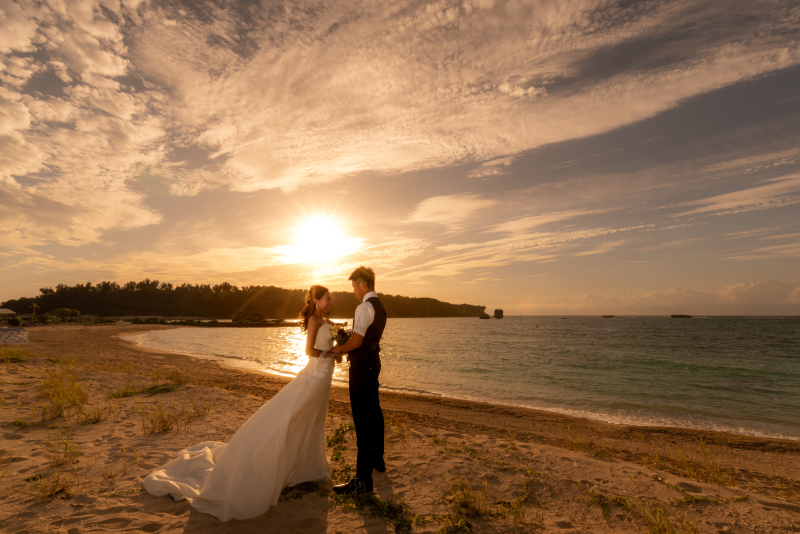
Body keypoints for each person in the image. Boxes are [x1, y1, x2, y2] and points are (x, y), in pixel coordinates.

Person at [142, 285, 339, 521]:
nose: (330, 302)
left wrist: (338, 348)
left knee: (313, 419)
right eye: (327, 299)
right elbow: (309, 351)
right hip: (315, 375)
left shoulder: (327, 320)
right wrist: (334, 353)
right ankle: (291, 466)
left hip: (325, 375)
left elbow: (326, 346)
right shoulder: (315, 322)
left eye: (331, 299)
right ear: (316, 300)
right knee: (294, 416)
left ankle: (307, 465)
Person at [330, 266, 387, 496]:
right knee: (374, 413)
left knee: (363, 421)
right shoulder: (380, 306)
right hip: (373, 362)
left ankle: (362, 481)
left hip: (362, 368)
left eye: (354, 285)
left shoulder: (364, 307)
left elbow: (356, 342)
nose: (353, 290)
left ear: (363, 284)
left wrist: (338, 349)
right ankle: (377, 460)